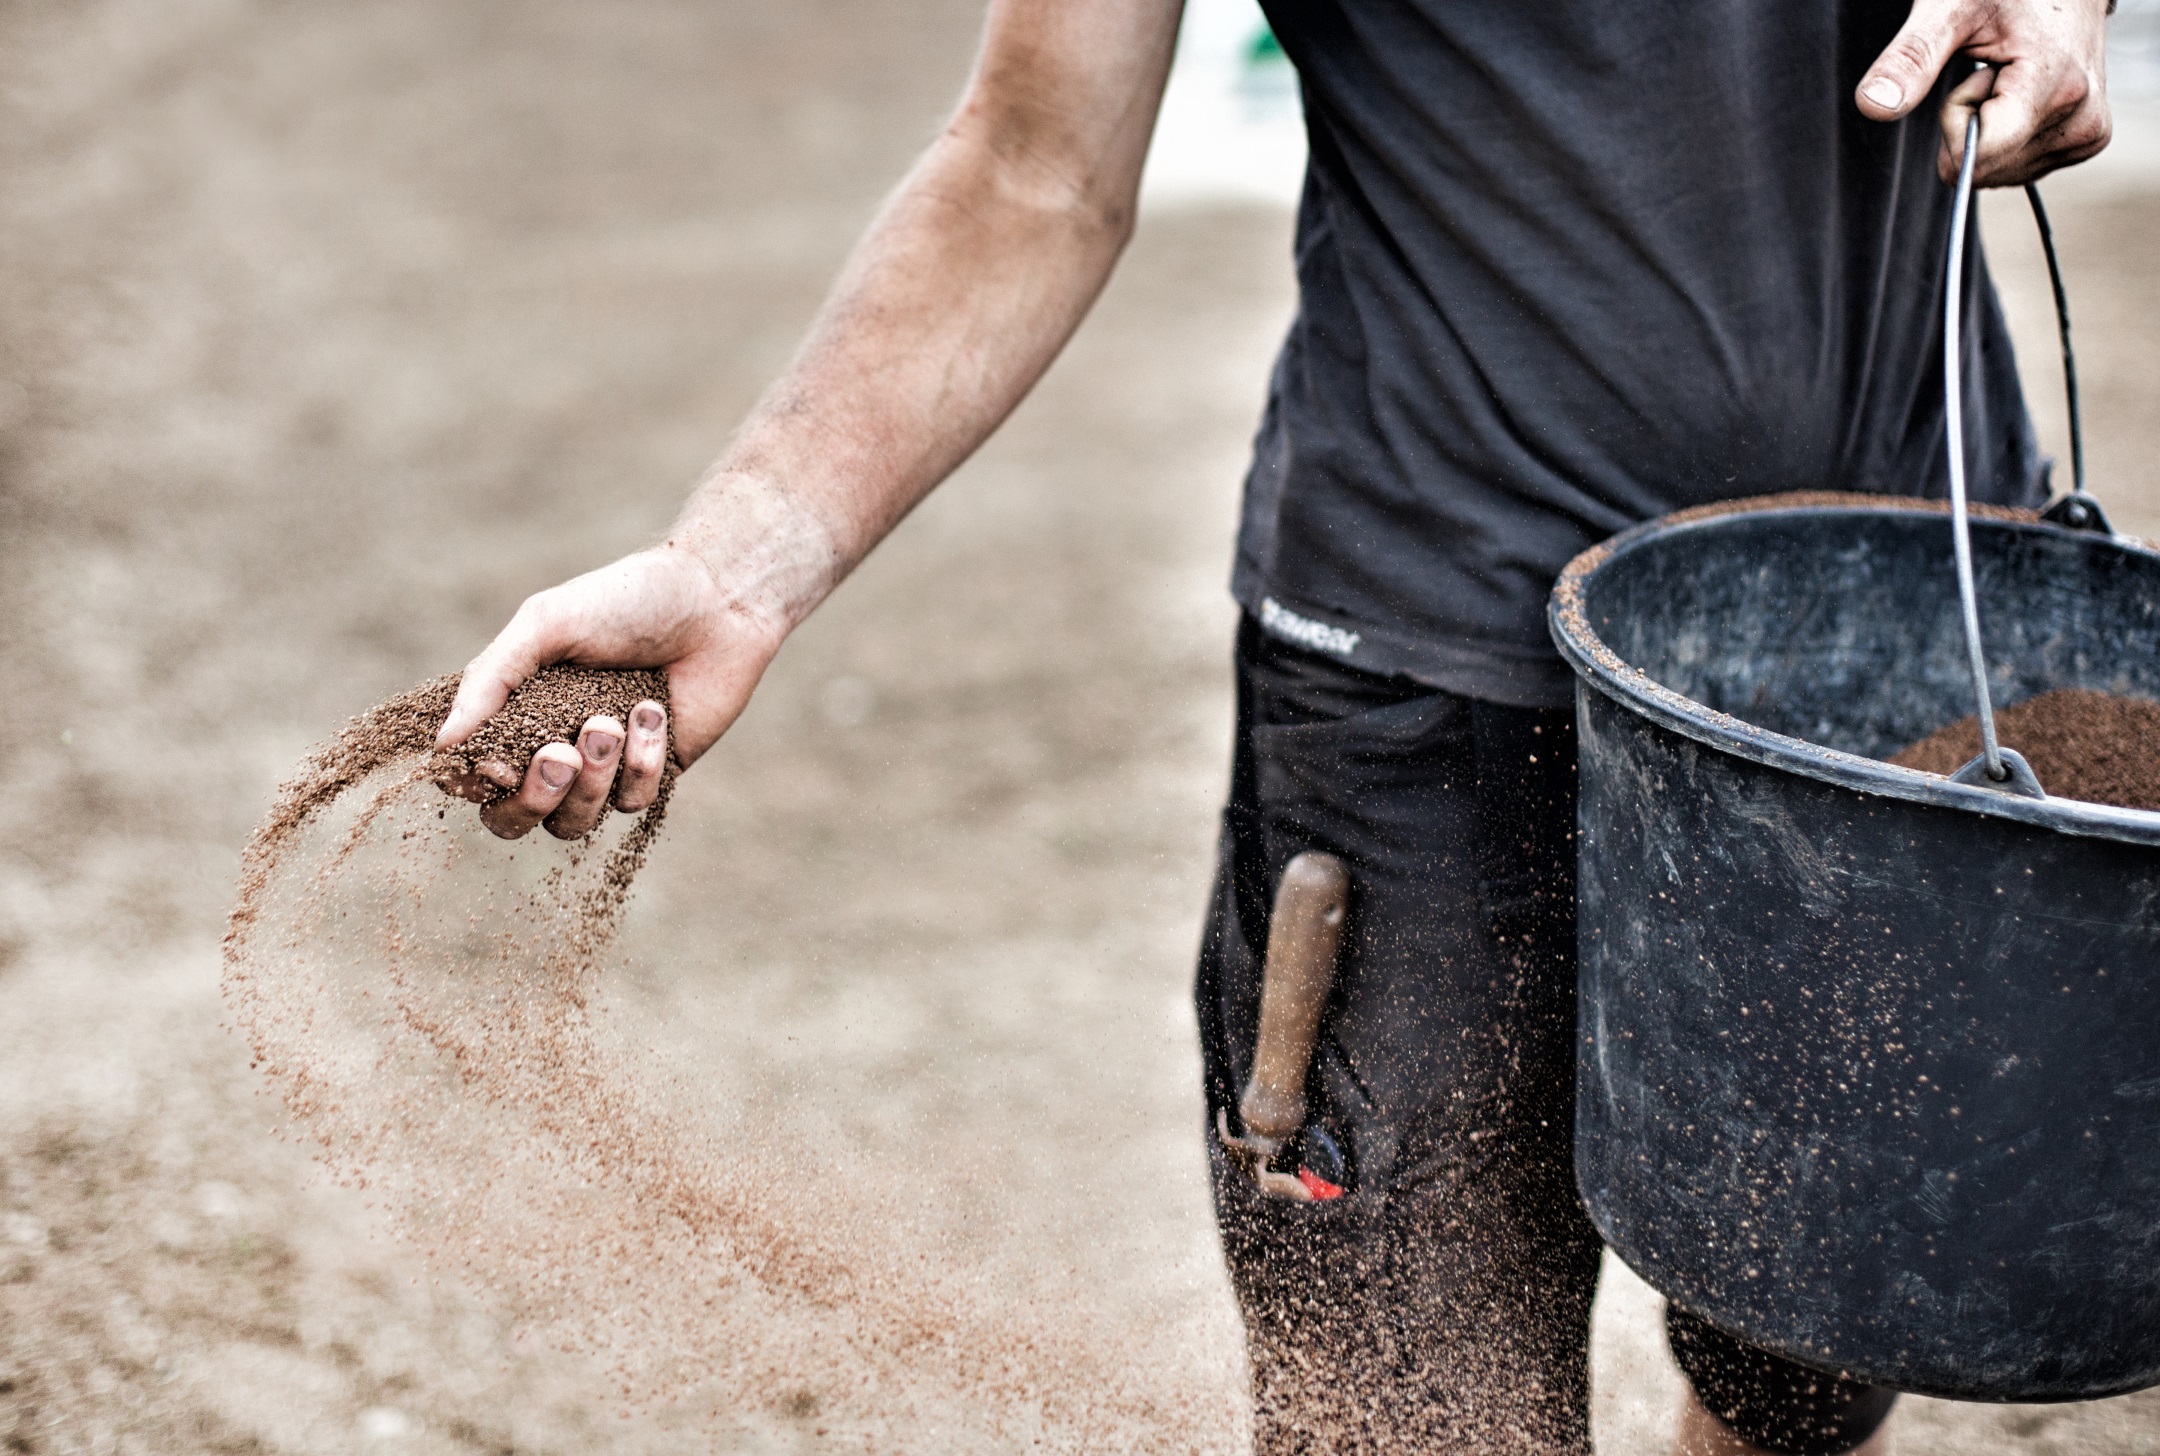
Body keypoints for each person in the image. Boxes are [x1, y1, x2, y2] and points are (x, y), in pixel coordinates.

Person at [432, 0, 2113, 1451]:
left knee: (1804, 1384)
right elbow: (1036, 165)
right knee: (1402, 1408)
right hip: (1429, 673)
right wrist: (740, 563)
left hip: (1887, 654)